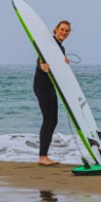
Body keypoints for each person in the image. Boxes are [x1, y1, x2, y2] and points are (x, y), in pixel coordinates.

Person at [33, 20, 72, 166]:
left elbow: (58, 68)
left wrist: (64, 63)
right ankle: (42, 157)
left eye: (67, 31)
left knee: (53, 120)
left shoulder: (61, 49)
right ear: (56, 29)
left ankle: (44, 156)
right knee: (48, 120)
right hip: (42, 86)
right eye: (62, 29)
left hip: (51, 87)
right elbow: (40, 58)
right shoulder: (49, 44)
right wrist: (42, 65)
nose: (64, 32)